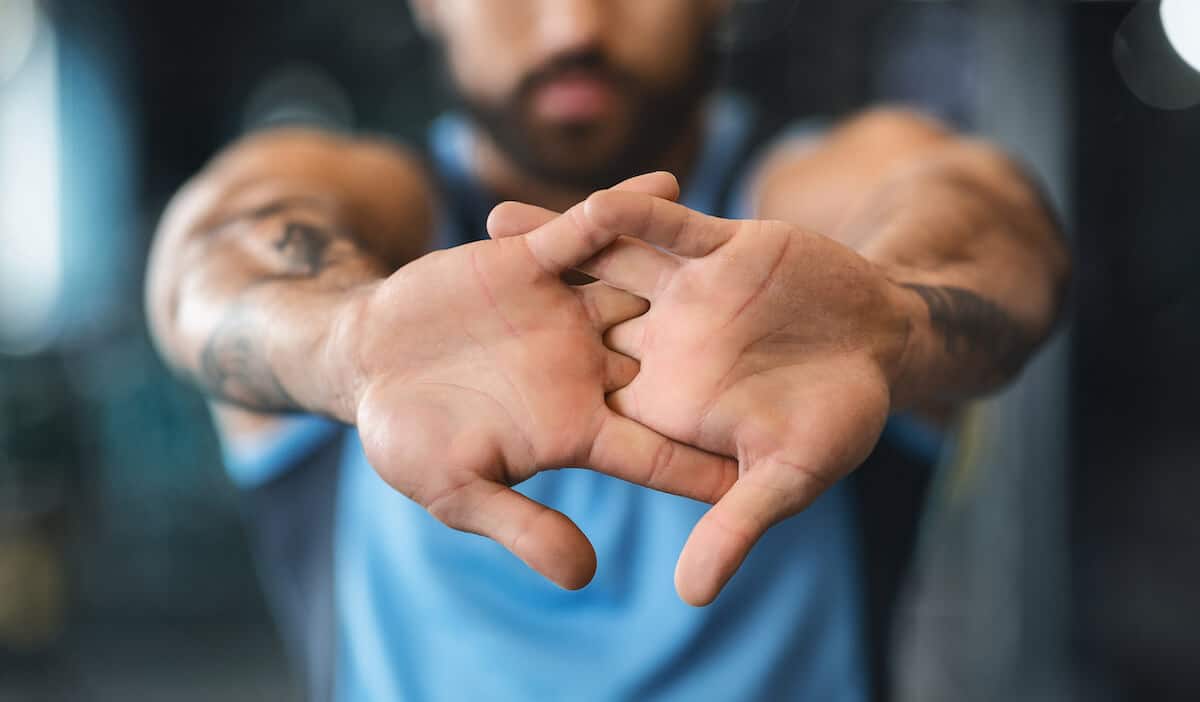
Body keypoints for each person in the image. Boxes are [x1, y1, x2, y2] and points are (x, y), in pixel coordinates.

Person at [145, 1, 1068, 700]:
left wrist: (893, 321)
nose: (572, 25)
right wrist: (344, 346)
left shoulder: (817, 242)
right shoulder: (363, 219)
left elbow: (997, 227)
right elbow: (210, 259)